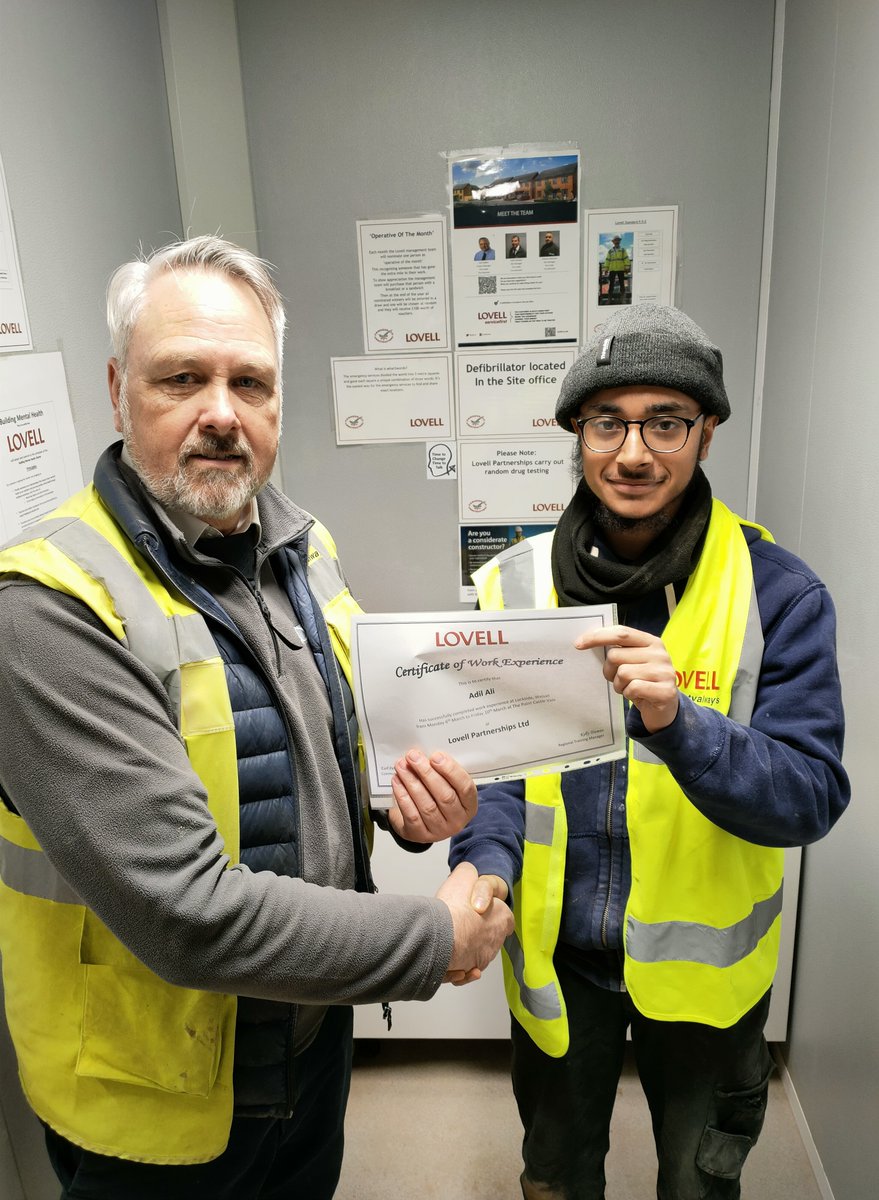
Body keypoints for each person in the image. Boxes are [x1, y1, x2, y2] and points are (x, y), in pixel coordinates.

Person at [0, 236, 512, 1200]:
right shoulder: (46, 611)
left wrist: (402, 803)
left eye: (251, 382)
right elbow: (187, 914)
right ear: (118, 389)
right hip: (157, 1111)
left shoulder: (300, 545)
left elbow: (328, 749)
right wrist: (432, 942)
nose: (221, 415)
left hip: (309, 1050)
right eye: (181, 378)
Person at [450, 303, 849, 1199]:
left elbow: (812, 797)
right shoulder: (514, 585)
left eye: (665, 422)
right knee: (555, 1176)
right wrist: (482, 868)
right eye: (608, 423)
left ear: (705, 435)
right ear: (577, 436)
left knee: (697, 1185)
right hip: (561, 964)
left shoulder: (778, 594)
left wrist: (684, 727)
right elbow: (495, 774)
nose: (634, 454)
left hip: (705, 982)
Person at [603, 234, 631, 303]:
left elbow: (626, 259)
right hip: (612, 270)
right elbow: (607, 260)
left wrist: (627, 268)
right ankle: (609, 299)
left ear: (619, 241)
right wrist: (606, 269)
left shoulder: (622, 250)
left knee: (622, 285)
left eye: (618, 240)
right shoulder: (610, 251)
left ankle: (623, 299)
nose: (617, 241)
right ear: (613, 242)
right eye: (615, 240)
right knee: (611, 285)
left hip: (621, 270)